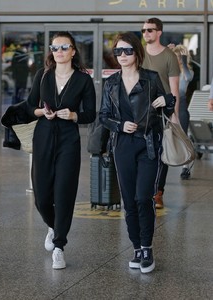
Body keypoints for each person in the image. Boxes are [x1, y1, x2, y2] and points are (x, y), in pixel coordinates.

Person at [99, 32, 175, 273]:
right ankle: (136, 248)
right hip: (122, 146)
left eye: (127, 51)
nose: (122, 56)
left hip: (148, 144)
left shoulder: (151, 79)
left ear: (137, 53)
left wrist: (166, 100)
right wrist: (119, 125)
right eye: (118, 52)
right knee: (129, 201)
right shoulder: (111, 83)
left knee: (144, 198)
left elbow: (168, 103)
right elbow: (103, 116)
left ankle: (147, 247)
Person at [27, 31, 96, 269]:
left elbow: (90, 114)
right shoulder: (43, 75)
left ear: (73, 51)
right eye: (55, 48)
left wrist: (74, 114)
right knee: (42, 196)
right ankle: (52, 226)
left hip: (68, 138)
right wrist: (41, 112)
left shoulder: (83, 79)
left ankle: (59, 246)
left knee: (64, 194)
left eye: (64, 47)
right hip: (44, 136)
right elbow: (30, 106)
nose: (59, 52)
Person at [142, 17, 180, 209]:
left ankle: (158, 192)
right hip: (139, 111)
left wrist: (175, 117)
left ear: (159, 32)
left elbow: (174, 91)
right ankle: (143, 190)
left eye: (150, 30)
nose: (146, 33)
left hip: (161, 113)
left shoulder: (169, 56)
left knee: (160, 153)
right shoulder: (138, 54)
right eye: (144, 30)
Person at [171, 45, 194, 179]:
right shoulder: (169, 70)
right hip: (169, 105)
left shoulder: (187, 71)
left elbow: (188, 77)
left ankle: (185, 167)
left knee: (183, 137)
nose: (178, 59)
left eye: (180, 57)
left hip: (182, 105)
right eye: (176, 57)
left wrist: (184, 61)